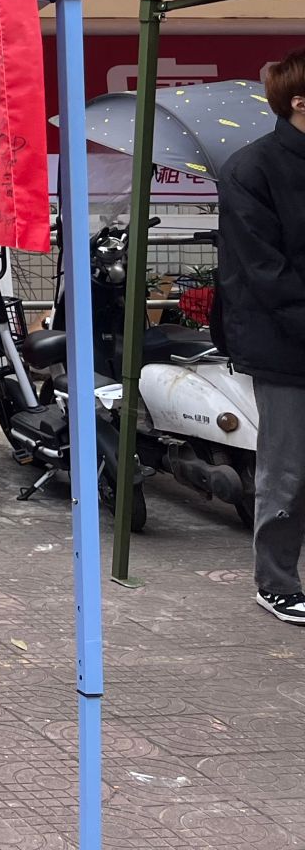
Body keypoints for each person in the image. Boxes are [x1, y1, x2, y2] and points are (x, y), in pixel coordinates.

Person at [217, 48, 305, 625]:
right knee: (288, 469)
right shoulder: (251, 169)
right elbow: (263, 271)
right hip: (283, 343)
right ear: (299, 102)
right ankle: (276, 582)